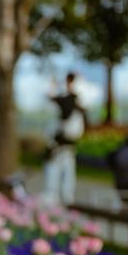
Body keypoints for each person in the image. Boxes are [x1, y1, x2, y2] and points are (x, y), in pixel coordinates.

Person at [42, 72, 86, 205]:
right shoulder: (67, 102)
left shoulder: (72, 103)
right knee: (59, 179)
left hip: (63, 147)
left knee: (64, 179)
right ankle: (57, 200)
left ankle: (62, 200)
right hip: (59, 146)